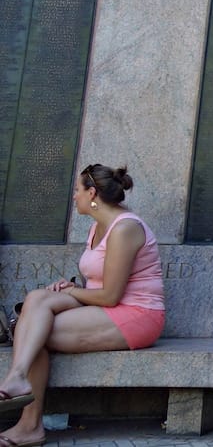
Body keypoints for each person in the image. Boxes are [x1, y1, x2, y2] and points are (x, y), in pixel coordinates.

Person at [0, 164, 164, 447]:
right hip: (106, 308)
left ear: (92, 193)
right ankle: (18, 380)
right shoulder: (97, 227)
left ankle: (29, 424)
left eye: (76, 190)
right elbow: (99, 287)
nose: (73, 196)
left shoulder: (125, 228)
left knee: (36, 331)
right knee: (37, 300)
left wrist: (75, 291)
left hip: (138, 315)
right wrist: (70, 288)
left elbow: (111, 296)